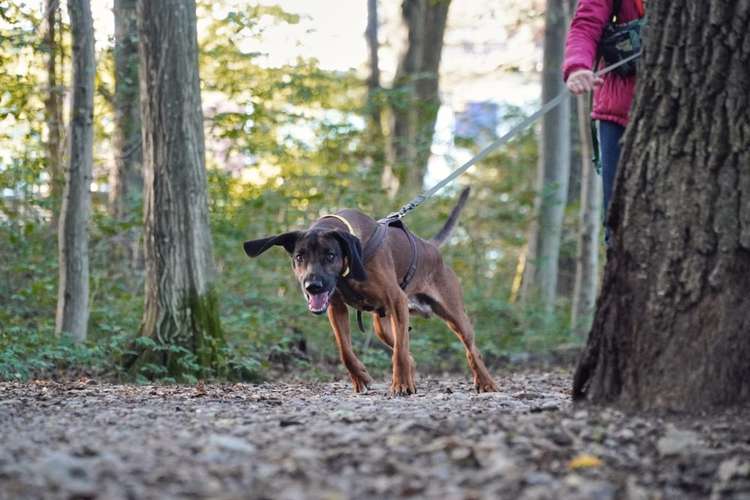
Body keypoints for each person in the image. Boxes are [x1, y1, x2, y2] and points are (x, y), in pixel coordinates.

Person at [563, 0, 645, 242]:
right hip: (619, 118)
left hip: (694, 115)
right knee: (619, 225)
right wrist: (577, 67)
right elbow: (586, 24)